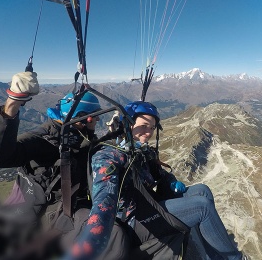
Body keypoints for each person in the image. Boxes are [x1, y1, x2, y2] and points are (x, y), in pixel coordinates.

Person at [64, 101, 249, 260]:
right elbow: (104, 196)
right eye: (144, 125)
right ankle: (234, 258)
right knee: (201, 207)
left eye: (152, 128)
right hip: (132, 221)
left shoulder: (140, 151)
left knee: (202, 190)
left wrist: (170, 182)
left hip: (148, 207)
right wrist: (97, 229)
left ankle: (210, 256)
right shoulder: (108, 155)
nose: (148, 132)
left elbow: (160, 173)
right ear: (128, 124)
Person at [0, 71, 103, 259]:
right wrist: (13, 103)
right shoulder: (44, 139)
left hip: (63, 214)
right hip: (37, 220)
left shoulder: (77, 137)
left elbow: (84, 152)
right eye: (95, 118)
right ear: (84, 119)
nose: (97, 122)